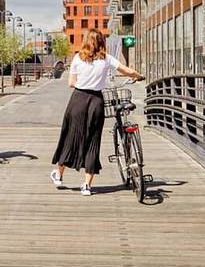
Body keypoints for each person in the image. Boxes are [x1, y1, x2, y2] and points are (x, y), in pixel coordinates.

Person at [50, 28, 144, 196]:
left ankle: (59, 175)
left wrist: (84, 82)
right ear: (101, 41)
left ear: (86, 41)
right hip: (96, 102)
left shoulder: (78, 58)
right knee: (93, 141)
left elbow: (71, 83)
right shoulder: (106, 58)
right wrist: (138, 75)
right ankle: (87, 185)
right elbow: (126, 70)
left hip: (78, 100)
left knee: (69, 137)